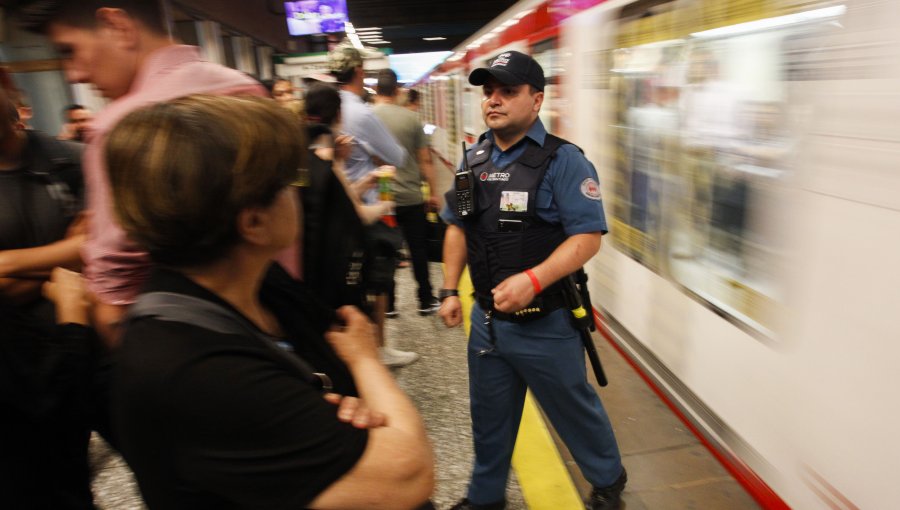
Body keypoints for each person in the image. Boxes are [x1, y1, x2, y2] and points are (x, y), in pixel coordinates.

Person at [105, 94, 434, 509]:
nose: (299, 193)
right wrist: (365, 358)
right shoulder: (190, 371)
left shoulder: (259, 287)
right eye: (289, 183)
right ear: (254, 222)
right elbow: (408, 473)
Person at [438, 51, 627, 510]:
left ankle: (607, 481)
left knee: (572, 408)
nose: (494, 101)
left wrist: (534, 279)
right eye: (488, 92)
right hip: (487, 321)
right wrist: (448, 289)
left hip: (545, 322)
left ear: (537, 99)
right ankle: (484, 498)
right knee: (489, 415)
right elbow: (458, 225)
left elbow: (587, 238)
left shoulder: (564, 162)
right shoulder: (472, 159)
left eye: (508, 91)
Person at [17, 0, 267, 345]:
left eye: (69, 50)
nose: (74, 74)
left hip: (177, 341)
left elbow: (112, 288)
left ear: (117, 25)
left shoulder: (123, 126)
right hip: (266, 319)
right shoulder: (246, 89)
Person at [0, 84, 106, 510]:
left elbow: (101, 248)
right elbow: (79, 258)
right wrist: (65, 258)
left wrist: (6, 262)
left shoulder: (71, 160)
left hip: (80, 349)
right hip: (19, 367)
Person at [329, 43, 419, 366]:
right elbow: (395, 156)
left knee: (350, 281)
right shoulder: (360, 112)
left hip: (338, 205)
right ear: (358, 72)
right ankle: (379, 349)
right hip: (368, 205)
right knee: (378, 280)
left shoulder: (328, 104)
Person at [373, 69, 441, 316]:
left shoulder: (367, 117)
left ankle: (388, 305)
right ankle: (425, 300)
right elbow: (426, 160)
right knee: (418, 250)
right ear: (397, 90)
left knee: (386, 252)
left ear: (376, 90)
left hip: (382, 200)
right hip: (412, 197)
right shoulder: (411, 118)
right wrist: (432, 193)